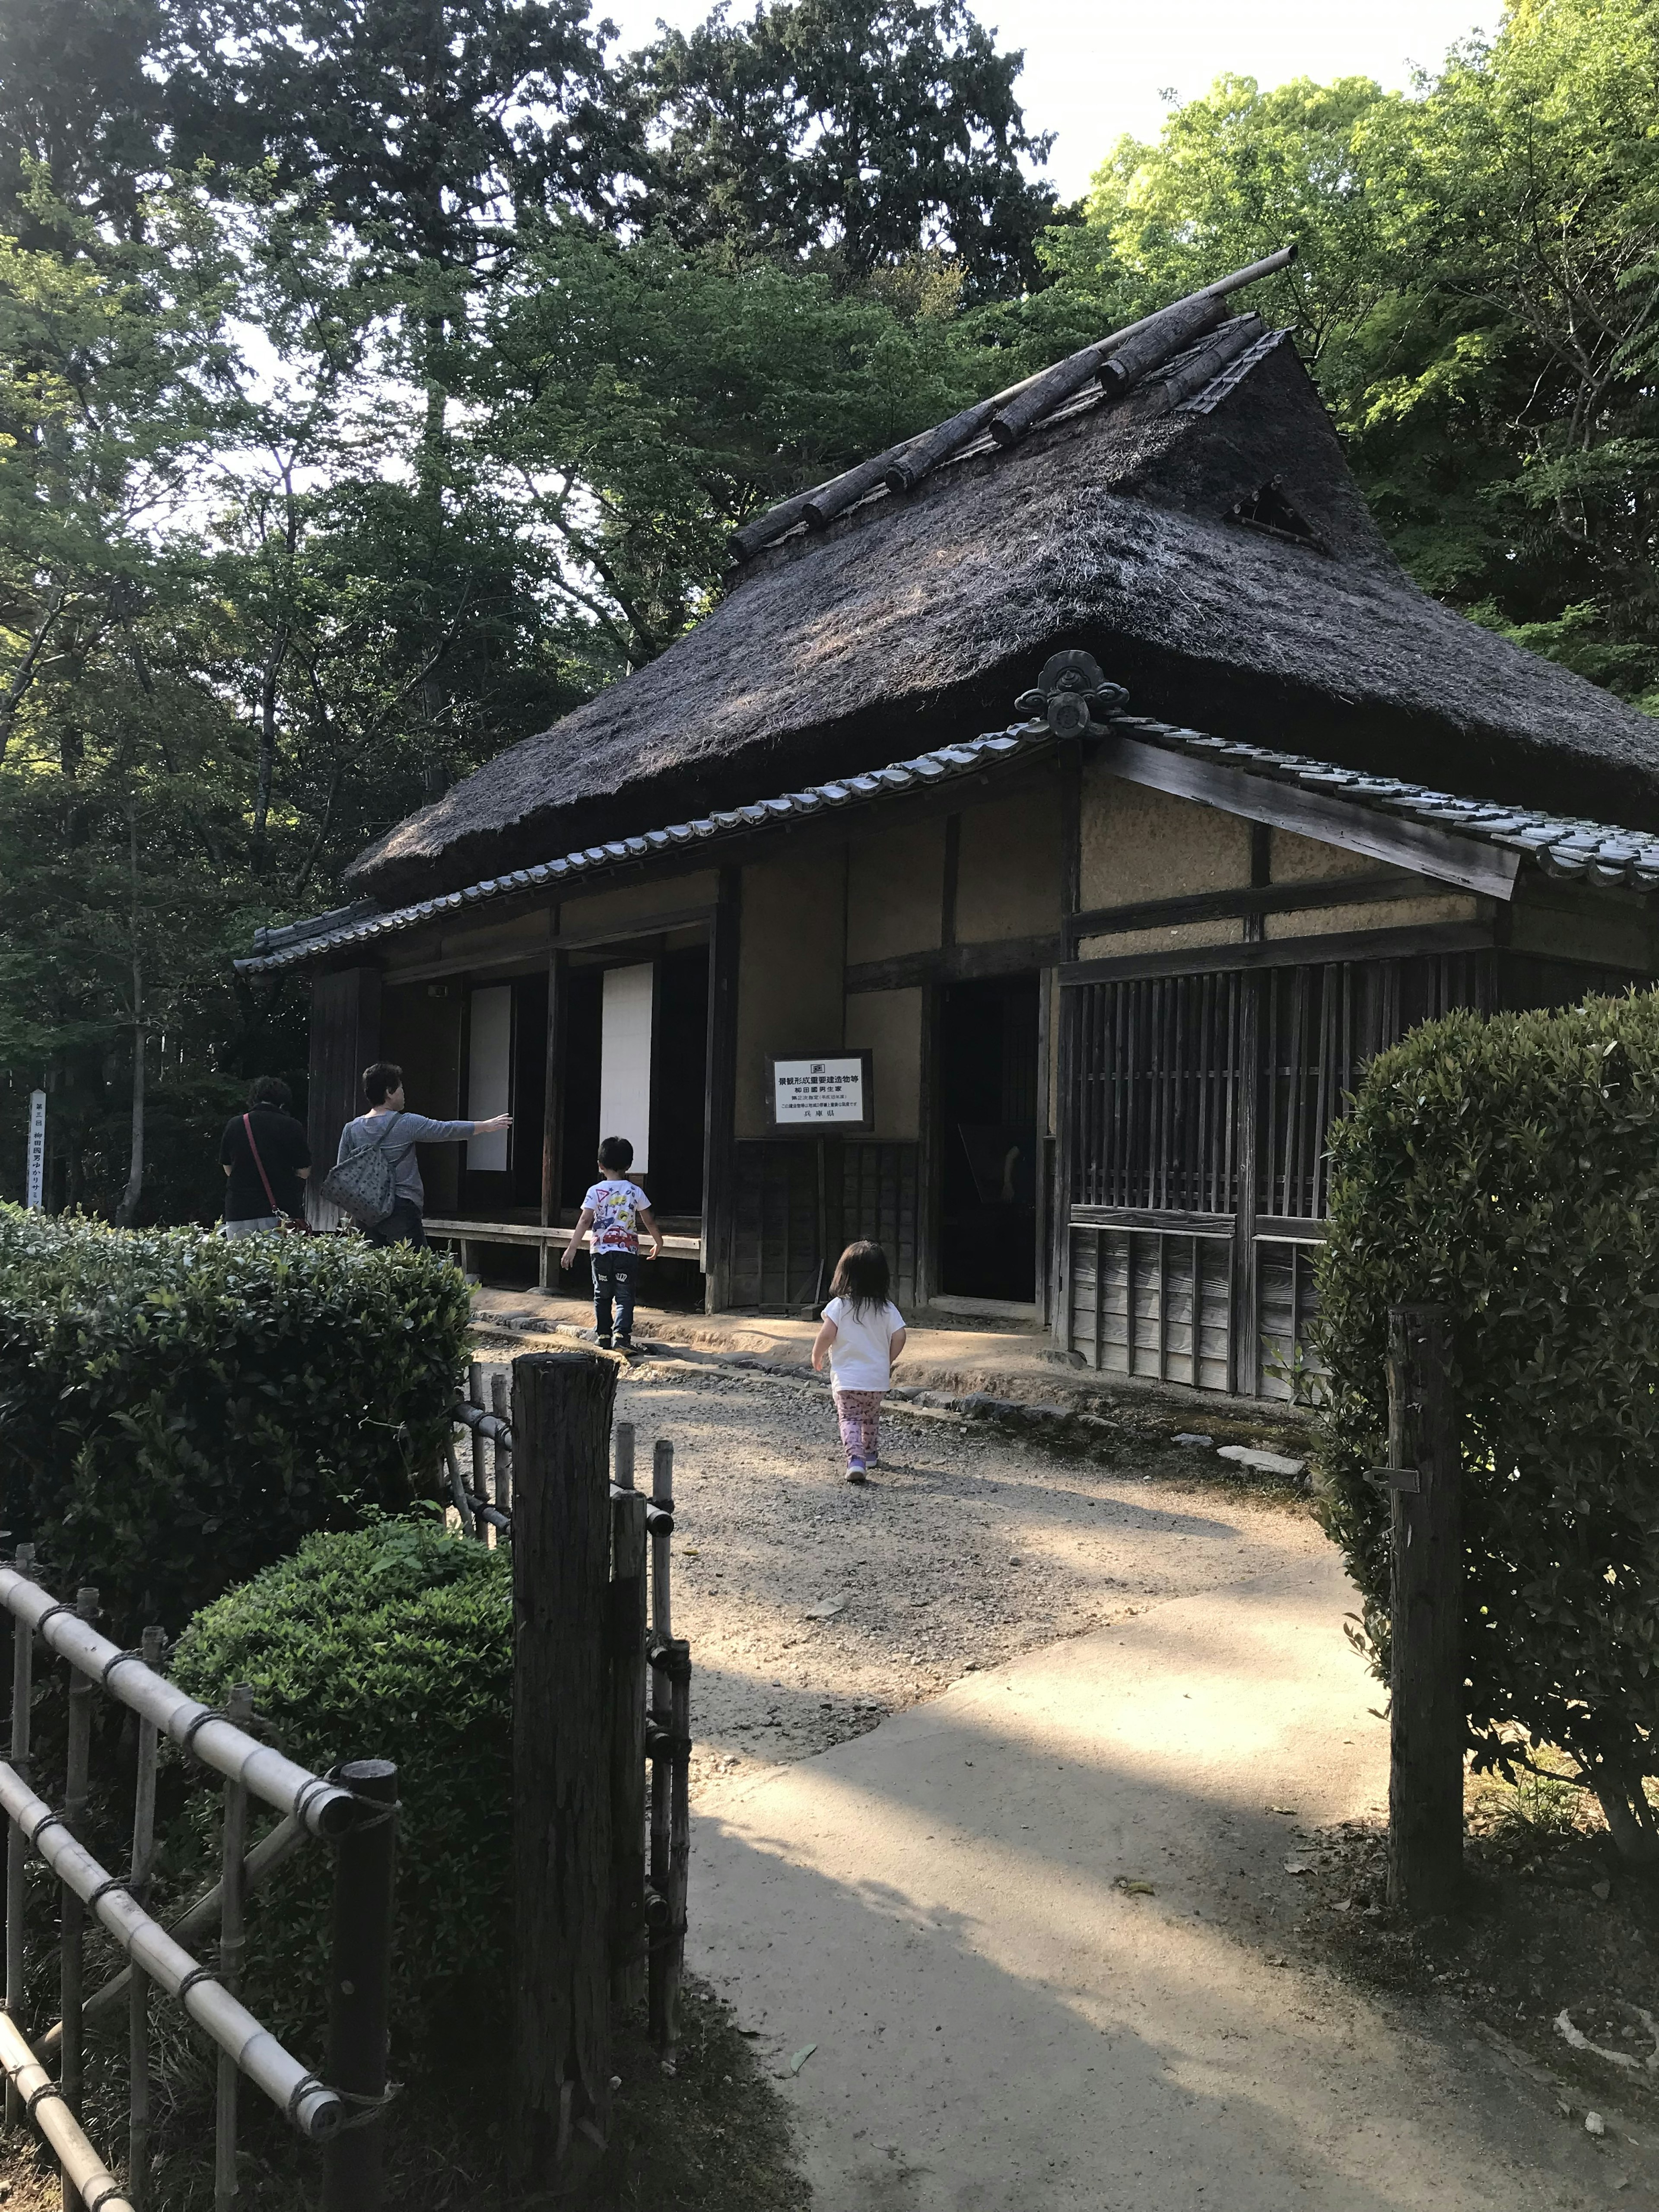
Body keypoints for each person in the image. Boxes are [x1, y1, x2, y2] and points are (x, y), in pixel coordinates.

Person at [334, 1060, 511, 1248]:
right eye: (401, 1087)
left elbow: (342, 1174)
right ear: (389, 1092)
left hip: (365, 1210)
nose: (404, 1092)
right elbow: (446, 1129)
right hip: (400, 1207)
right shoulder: (407, 1123)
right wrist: (485, 1126)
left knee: (373, 1270)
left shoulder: (351, 1129)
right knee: (414, 1266)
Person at [811, 1240, 906, 1484]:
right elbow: (900, 1336)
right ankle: (871, 1453)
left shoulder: (840, 1306)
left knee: (850, 1419)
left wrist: (817, 1354)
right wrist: (887, 1359)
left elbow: (827, 1334)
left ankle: (856, 1460)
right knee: (871, 1417)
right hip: (876, 1380)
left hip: (848, 1380)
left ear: (845, 1275)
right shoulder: (887, 1308)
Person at [559, 1135, 661, 1350]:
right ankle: (622, 1337)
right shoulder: (635, 1191)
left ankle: (604, 1335)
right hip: (627, 1251)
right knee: (625, 1296)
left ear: (600, 1165)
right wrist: (658, 1241)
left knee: (602, 1294)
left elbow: (585, 1220)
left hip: (600, 1252)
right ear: (629, 1165)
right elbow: (648, 1219)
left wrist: (572, 1248)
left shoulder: (594, 1191)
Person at [219, 1076, 311, 1238]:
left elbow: (228, 1169)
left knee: (242, 1261)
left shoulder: (235, 1125)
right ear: (283, 1102)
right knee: (278, 1262)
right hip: (280, 1211)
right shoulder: (292, 1126)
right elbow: (304, 1172)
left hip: (239, 1212)